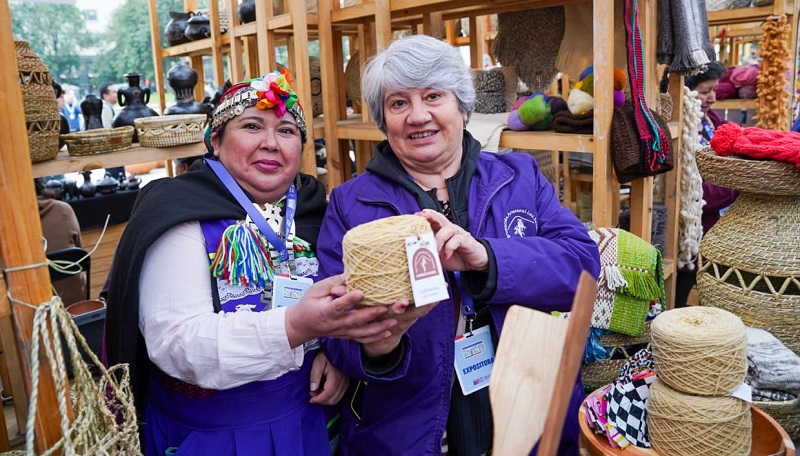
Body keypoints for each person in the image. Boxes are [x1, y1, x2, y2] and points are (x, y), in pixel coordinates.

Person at [316, 34, 601, 456]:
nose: (417, 116)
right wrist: (375, 347)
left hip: (529, 407)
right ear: (383, 119)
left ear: (462, 107)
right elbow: (332, 323)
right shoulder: (350, 203)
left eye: (433, 96)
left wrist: (487, 257)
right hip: (404, 425)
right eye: (398, 103)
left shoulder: (517, 175)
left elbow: (582, 267)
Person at [103, 70, 407, 455]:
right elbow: (176, 343)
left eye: (286, 131)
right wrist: (294, 326)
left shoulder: (317, 208)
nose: (270, 144)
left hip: (311, 422)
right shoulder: (178, 214)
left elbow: (344, 301)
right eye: (251, 126)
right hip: (214, 435)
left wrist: (337, 355)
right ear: (214, 140)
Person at [674, 61, 739, 308]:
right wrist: (735, 185)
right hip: (692, 233)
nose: (712, 97)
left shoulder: (714, 123)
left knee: (716, 295)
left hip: (719, 230)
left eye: (715, 89)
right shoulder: (682, 130)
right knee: (683, 289)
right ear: (685, 91)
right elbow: (697, 193)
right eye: (704, 92)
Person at [35, 178, 86, 306]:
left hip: (37, 309)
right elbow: (80, 254)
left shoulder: (9, 226)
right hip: (77, 301)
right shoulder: (64, 209)